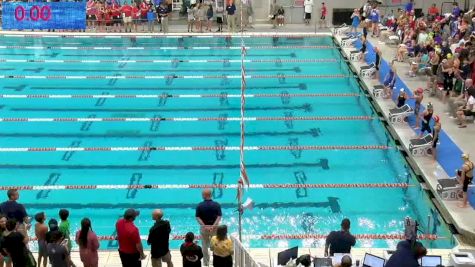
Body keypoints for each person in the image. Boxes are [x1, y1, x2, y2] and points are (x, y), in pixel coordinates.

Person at [195, 189, 222, 266]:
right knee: (216, 245)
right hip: (215, 228)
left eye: (202, 194)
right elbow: (219, 216)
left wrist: (204, 226)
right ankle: (216, 262)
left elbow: (197, 217)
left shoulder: (199, 205)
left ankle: (206, 263)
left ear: (204, 195)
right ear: (211, 195)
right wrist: (214, 225)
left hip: (204, 228)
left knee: (204, 246)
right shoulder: (217, 205)